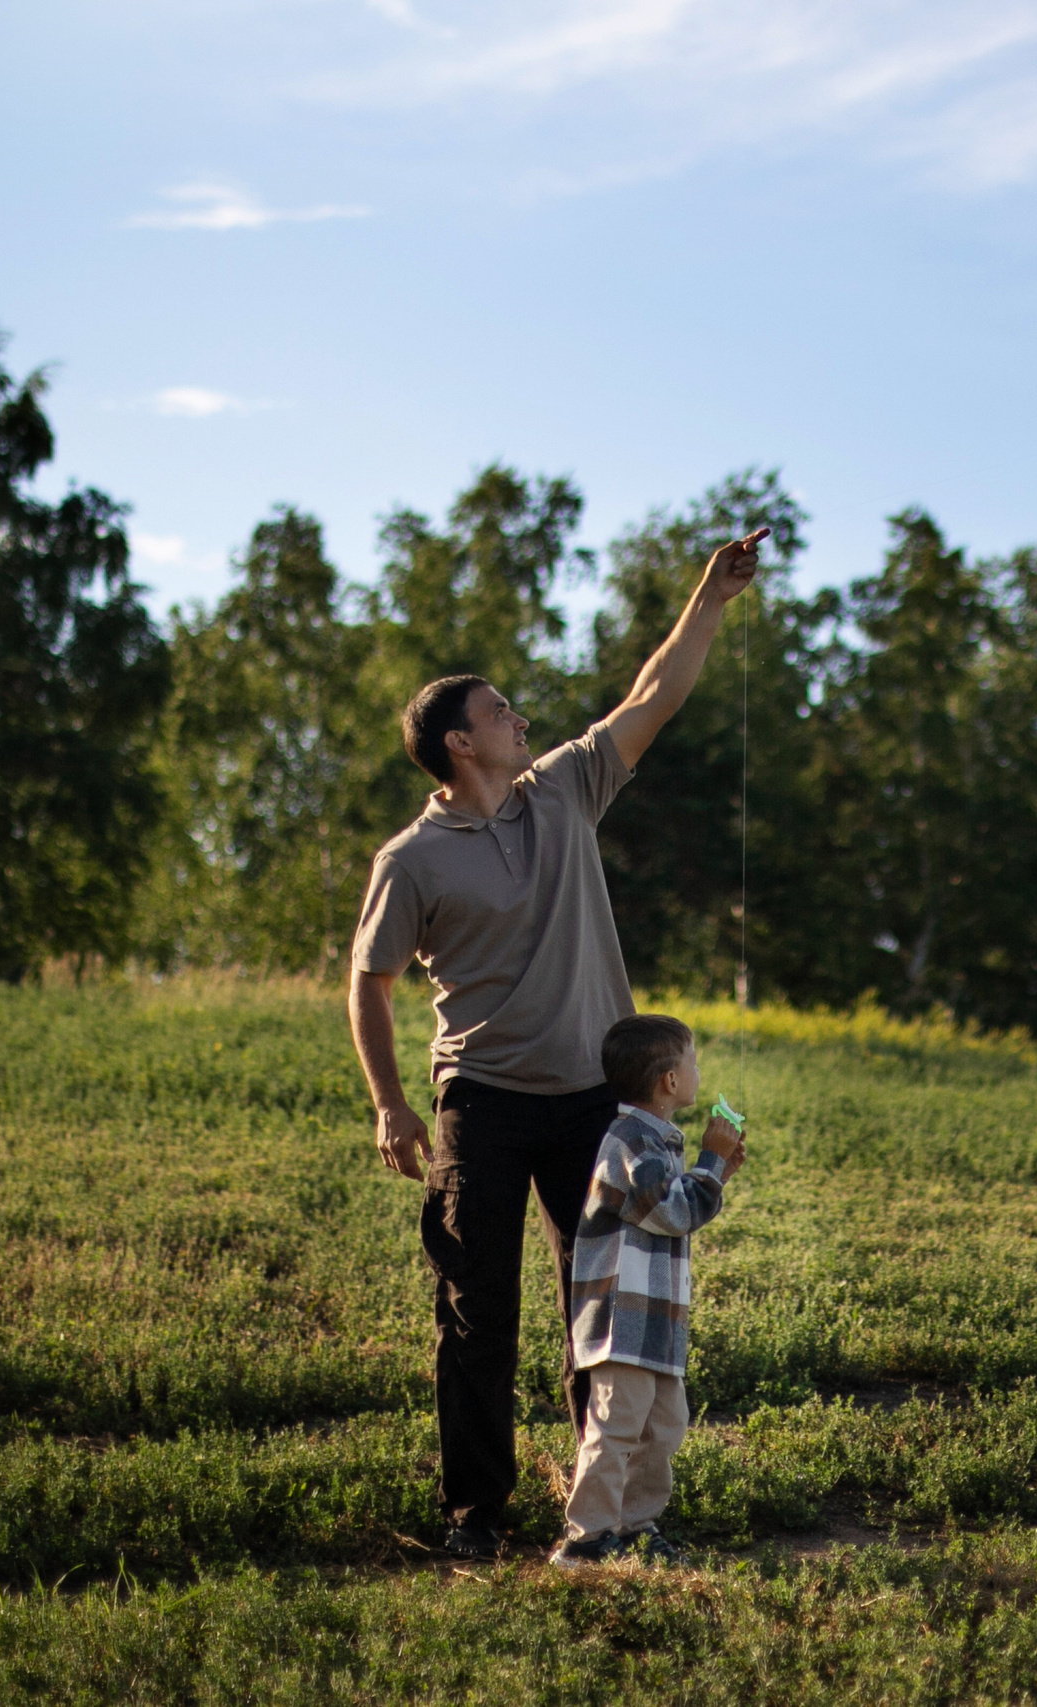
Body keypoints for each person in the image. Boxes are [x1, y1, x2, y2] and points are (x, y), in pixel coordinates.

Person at [346, 526, 768, 1560]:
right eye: (499, 713)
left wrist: (708, 599)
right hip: (481, 1105)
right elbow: (370, 980)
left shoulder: (566, 789)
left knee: (604, 1308)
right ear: (458, 743)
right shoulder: (412, 861)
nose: (518, 718)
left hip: (595, 1104)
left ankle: (609, 1511)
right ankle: (474, 1514)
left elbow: (651, 696)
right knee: (476, 1311)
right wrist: (392, 1105)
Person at [550, 1013, 744, 1568]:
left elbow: (671, 1206)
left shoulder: (655, 1139)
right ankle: (586, 1539)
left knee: (664, 1426)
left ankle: (635, 1527)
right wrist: (708, 1160)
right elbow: (675, 1210)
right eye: (693, 1061)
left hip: (655, 1317)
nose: (698, 1070)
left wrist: (717, 1172)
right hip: (621, 1319)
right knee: (615, 1427)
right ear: (670, 1082)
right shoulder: (630, 1139)